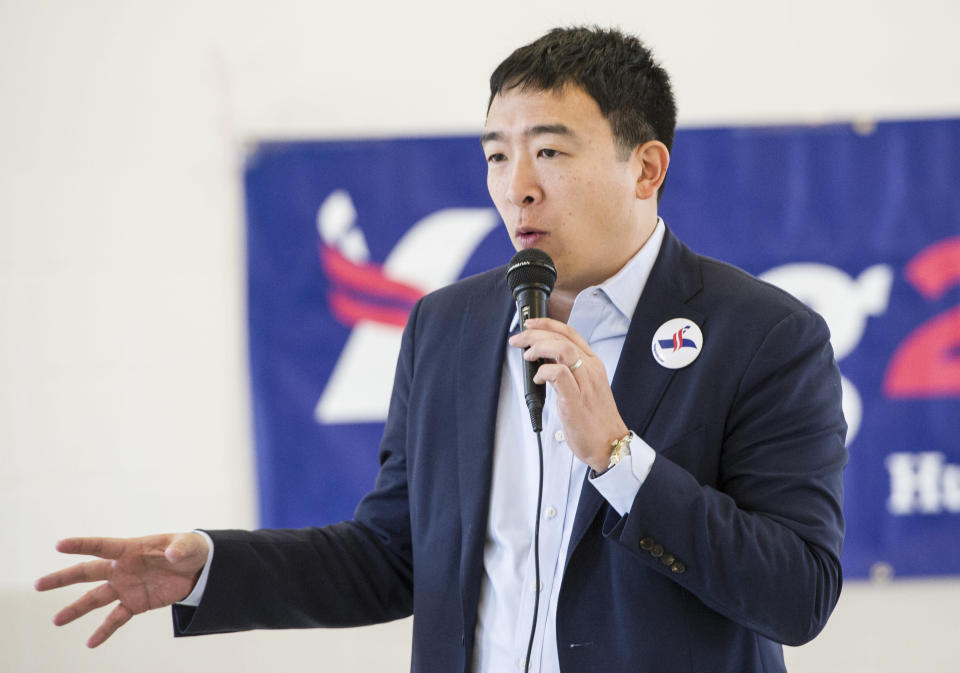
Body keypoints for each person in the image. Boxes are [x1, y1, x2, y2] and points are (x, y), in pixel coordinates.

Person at [36, 26, 847, 673]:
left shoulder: (766, 335)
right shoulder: (448, 326)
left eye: (551, 152)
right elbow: (392, 555)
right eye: (497, 153)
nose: (516, 184)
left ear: (646, 168)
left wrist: (619, 459)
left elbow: (797, 595)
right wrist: (212, 567)